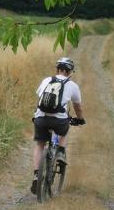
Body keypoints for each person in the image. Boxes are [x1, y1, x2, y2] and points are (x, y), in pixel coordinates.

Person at [31, 56, 85, 194]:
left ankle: (36, 175)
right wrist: (80, 119)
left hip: (41, 118)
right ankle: (60, 152)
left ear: (58, 69)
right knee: (64, 128)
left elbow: (40, 99)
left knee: (40, 145)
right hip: (59, 120)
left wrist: (37, 115)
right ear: (70, 71)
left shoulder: (47, 80)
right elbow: (77, 107)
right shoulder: (72, 86)